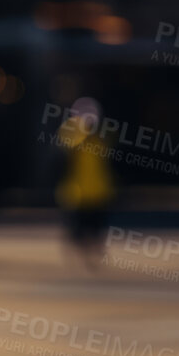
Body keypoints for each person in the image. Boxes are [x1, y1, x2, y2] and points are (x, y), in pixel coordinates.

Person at [54, 97, 113, 271]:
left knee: (96, 228)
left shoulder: (102, 135)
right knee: (77, 229)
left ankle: (93, 251)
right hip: (76, 193)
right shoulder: (71, 133)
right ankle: (81, 249)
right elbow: (64, 155)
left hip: (98, 191)